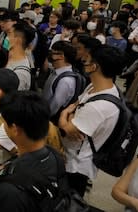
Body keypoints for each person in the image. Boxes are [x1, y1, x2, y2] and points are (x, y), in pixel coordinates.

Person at [58, 44, 127, 196]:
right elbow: (76, 104)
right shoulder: (96, 87)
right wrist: (71, 113)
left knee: (69, 200)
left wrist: (64, 113)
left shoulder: (99, 107)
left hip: (76, 165)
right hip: (73, 155)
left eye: (87, 59)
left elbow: (67, 129)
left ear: (94, 66)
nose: (83, 61)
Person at [42, 41, 79, 120]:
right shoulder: (56, 71)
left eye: (53, 53)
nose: (50, 55)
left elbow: (54, 107)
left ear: (61, 56)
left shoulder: (65, 81)